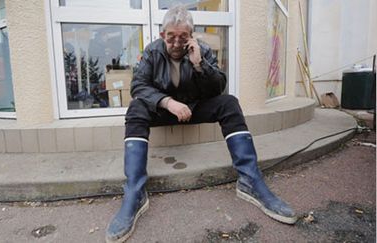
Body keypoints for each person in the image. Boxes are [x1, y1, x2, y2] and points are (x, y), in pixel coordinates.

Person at [106, 5, 297, 242]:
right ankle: (135, 191)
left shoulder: (203, 51)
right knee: (136, 108)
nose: (176, 43)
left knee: (229, 103)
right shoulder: (152, 52)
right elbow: (138, 86)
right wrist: (167, 102)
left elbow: (217, 89)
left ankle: (250, 181)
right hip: (165, 110)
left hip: (194, 108)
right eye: (171, 37)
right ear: (162, 35)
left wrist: (199, 65)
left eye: (183, 37)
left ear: (191, 36)